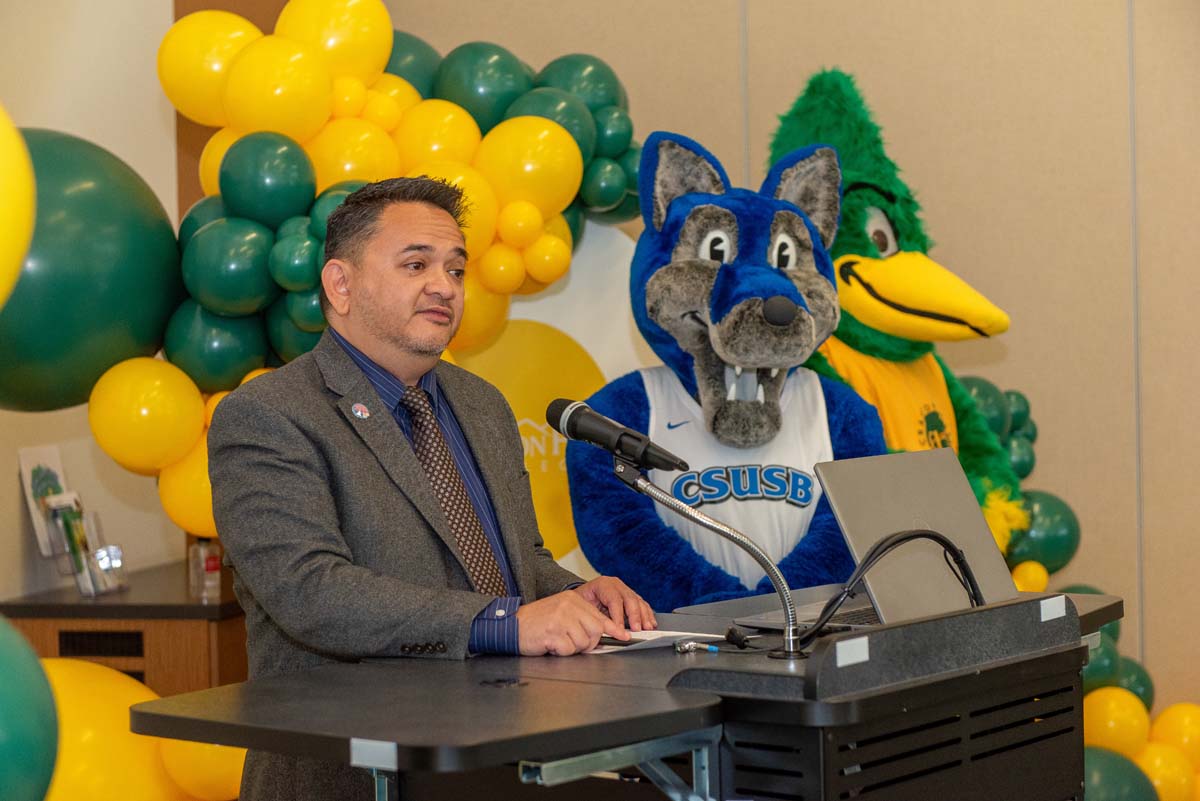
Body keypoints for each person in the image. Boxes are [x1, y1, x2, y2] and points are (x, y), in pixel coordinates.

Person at [208, 177, 656, 801]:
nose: (443, 286)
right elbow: (309, 591)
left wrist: (582, 594)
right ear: (340, 285)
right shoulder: (271, 414)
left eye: (456, 269)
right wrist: (507, 623)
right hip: (355, 774)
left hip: (503, 756)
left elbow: (517, 564)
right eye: (415, 264)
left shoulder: (482, 404)